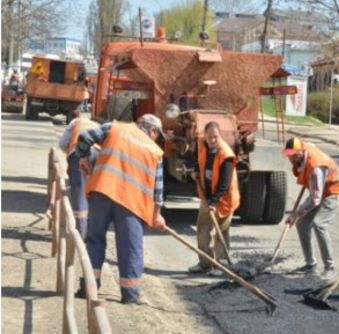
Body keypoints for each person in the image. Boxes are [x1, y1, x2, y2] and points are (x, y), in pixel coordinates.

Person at [75, 114, 167, 305]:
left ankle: (89, 288)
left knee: (94, 240)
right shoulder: (155, 152)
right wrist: (156, 216)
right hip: (130, 204)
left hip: (102, 191)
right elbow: (158, 191)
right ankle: (130, 294)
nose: (156, 139)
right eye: (157, 135)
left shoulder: (114, 128)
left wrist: (83, 157)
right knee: (130, 246)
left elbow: (84, 137)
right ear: (152, 131)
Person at [282, 137, 339, 281]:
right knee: (302, 223)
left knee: (319, 224)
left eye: (293, 155)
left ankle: (330, 267)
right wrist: (298, 216)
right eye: (288, 155)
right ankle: (310, 265)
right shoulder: (305, 150)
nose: (290, 158)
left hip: (335, 192)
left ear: (301, 152)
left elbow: (315, 200)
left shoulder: (316, 166)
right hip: (321, 191)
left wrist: (296, 213)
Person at [188, 121, 240, 276]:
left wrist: (214, 202)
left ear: (220, 136)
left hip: (224, 199)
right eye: (210, 137)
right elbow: (199, 162)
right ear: (205, 135)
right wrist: (196, 171)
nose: (212, 140)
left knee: (221, 233)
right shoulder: (202, 145)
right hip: (207, 196)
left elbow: (225, 183)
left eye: (215, 137)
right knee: (203, 230)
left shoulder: (226, 155)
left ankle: (221, 266)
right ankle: (205, 263)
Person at [58, 116, 101, 237]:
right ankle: (93, 232)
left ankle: (80, 235)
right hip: (99, 154)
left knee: (80, 193)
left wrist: (70, 153)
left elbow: (62, 144)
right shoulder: (101, 127)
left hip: (79, 153)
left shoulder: (75, 122)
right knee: (95, 193)